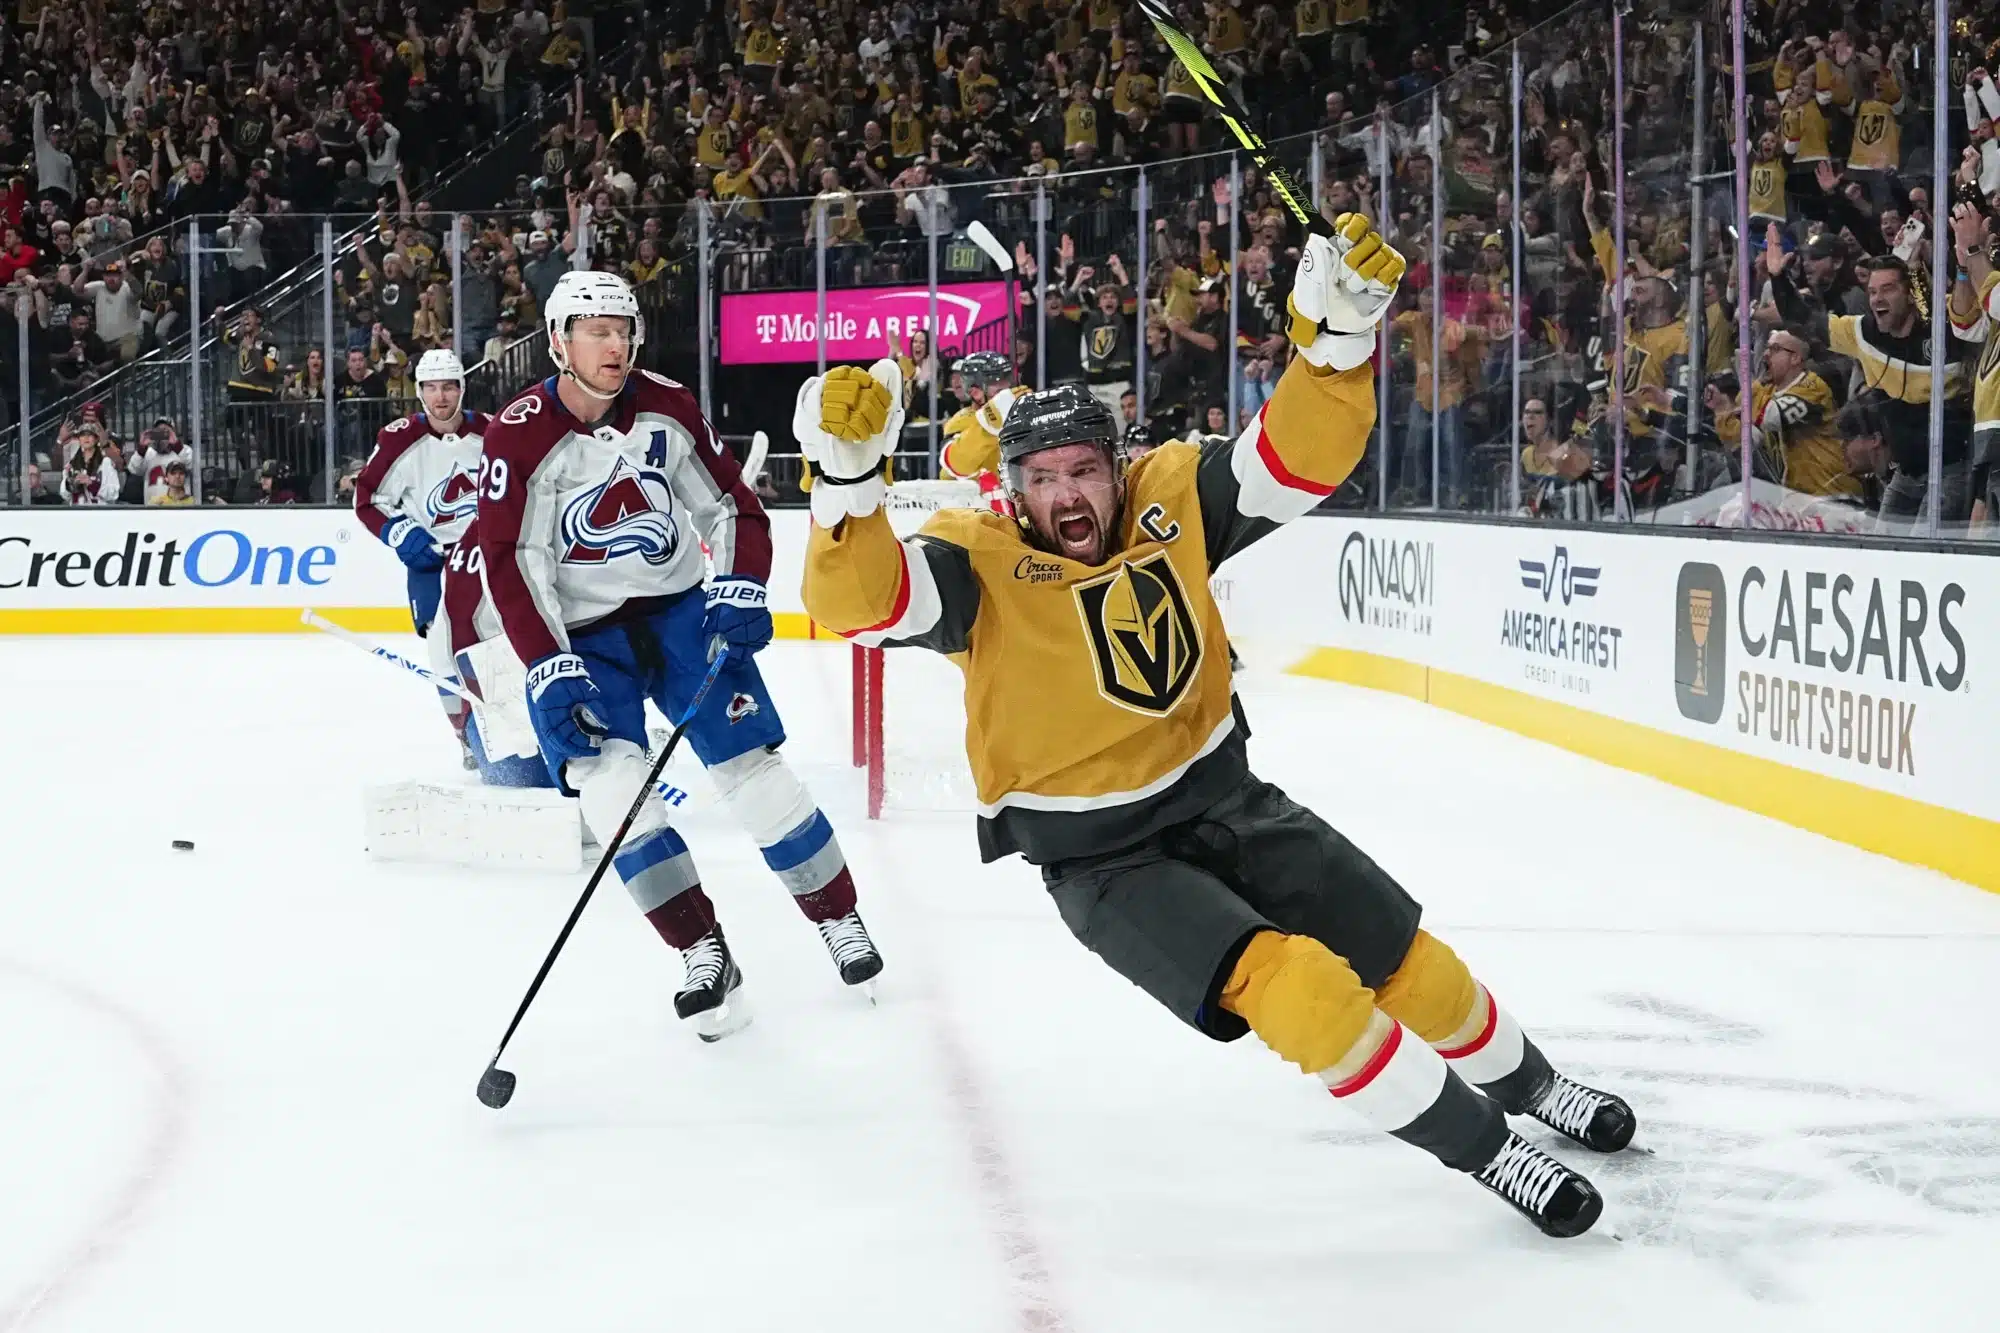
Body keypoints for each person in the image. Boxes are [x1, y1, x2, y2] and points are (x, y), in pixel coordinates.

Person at [796, 216, 1632, 1238]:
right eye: (1042, 478)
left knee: (1407, 960)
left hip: (1224, 796)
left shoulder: (1171, 494)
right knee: (1303, 993)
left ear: (1116, 464)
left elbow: (1292, 464)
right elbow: (865, 604)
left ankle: (1537, 1088)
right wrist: (844, 492)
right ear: (1010, 491)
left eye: (1083, 470)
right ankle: (1493, 1154)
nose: (1067, 494)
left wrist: (1331, 352)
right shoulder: (973, 560)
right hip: (1105, 862)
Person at [474, 270, 882, 1040]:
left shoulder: (667, 405)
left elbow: (732, 504)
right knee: (617, 797)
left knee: (752, 770)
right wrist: (546, 660)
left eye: (623, 328)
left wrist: (740, 586)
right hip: (587, 638)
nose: (614, 343)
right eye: (596, 329)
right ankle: (703, 950)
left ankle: (840, 918)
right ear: (559, 341)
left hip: (681, 614)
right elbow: (509, 557)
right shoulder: (520, 432)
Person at [353, 349, 491, 757]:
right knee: (443, 654)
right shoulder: (399, 440)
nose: (441, 396)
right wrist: (400, 532)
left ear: (462, 388)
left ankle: (511, 723)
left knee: (503, 645)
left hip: (488, 558)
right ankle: (467, 736)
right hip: (434, 564)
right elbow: (368, 500)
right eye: (431, 387)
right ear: (419, 392)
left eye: (449, 386)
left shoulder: (493, 432)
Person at [938, 350, 1020, 515]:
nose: (1006, 398)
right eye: (998, 394)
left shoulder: (1017, 413)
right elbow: (957, 464)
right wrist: (989, 424)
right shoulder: (961, 421)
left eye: (1008, 389)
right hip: (981, 518)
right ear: (975, 392)